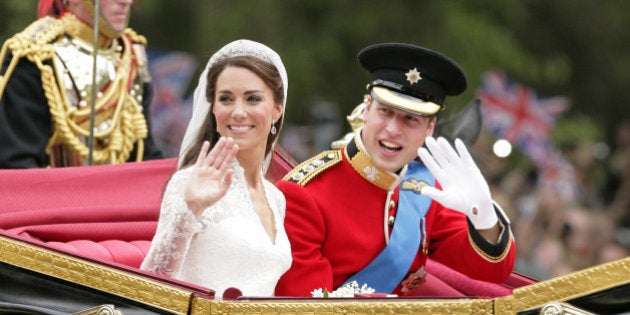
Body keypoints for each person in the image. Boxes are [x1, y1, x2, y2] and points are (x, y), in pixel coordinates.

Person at [275, 43, 516, 296]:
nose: (392, 129)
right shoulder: (304, 193)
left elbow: (491, 272)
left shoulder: (424, 189)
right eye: (385, 111)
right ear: (367, 108)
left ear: (430, 128)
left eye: (410, 119)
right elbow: (304, 307)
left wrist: (483, 217)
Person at [141, 39, 291, 298]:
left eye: (253, 99)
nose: (238, 112)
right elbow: (149, 290)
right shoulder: (188, 182)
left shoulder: (276, 198)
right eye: (226, 99)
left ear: (277, 109)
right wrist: (191, 209)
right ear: (213, 109)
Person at [0, 0, 162, 168]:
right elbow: (17, 162)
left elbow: (144, 154)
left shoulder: (131, 56)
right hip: (53, 191)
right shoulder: (36, 57)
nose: (126, 1)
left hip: (119, 191)